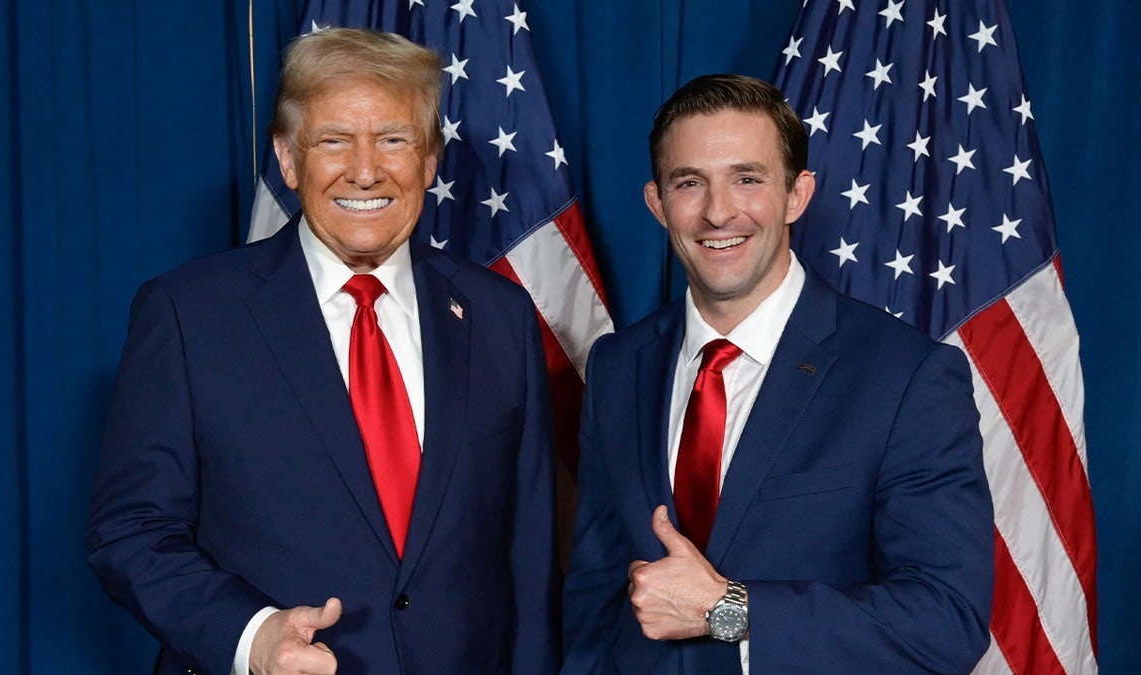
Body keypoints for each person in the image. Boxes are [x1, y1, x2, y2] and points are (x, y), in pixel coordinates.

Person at [86, 28, 559, 675]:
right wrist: (251, 636)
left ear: (428, 160)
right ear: (287, 157)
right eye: (334, 140)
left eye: (393, 139)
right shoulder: (189, 314)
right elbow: (131, 530)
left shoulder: (499, 316)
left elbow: (528, 556)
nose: (365, 170)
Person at [561, 74, 994, 674]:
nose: (718, 212)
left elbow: (946, 620)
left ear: (797, 194)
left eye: (747, 179)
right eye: (690, 183)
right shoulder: (616, 367)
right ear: (658, 204)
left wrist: (729, 609)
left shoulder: (907, 376)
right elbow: (594, 597)